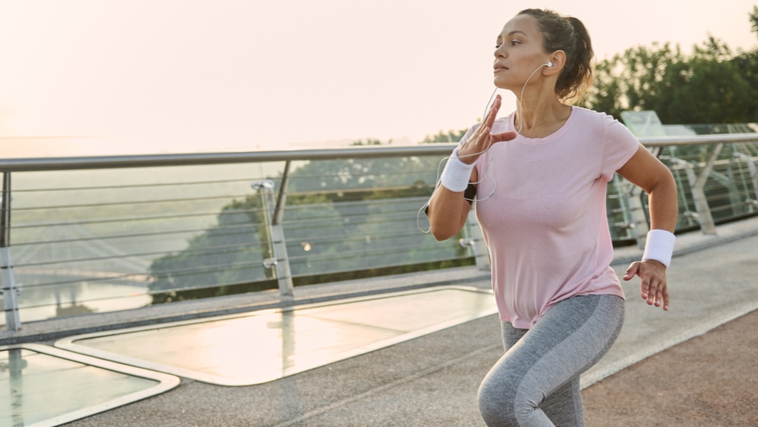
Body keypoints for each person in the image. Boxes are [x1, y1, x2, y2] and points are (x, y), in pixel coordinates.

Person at [425, 8, 678, 427]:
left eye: (515, 41)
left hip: (586, 302)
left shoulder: (596, 132)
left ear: (553, 61)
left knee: (503, 399)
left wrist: (657, 256)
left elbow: (661, 182)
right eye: (498, 42)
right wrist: (460, 160)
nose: (499, 50)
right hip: (518, 317)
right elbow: (442, 228)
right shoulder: (485, 139)